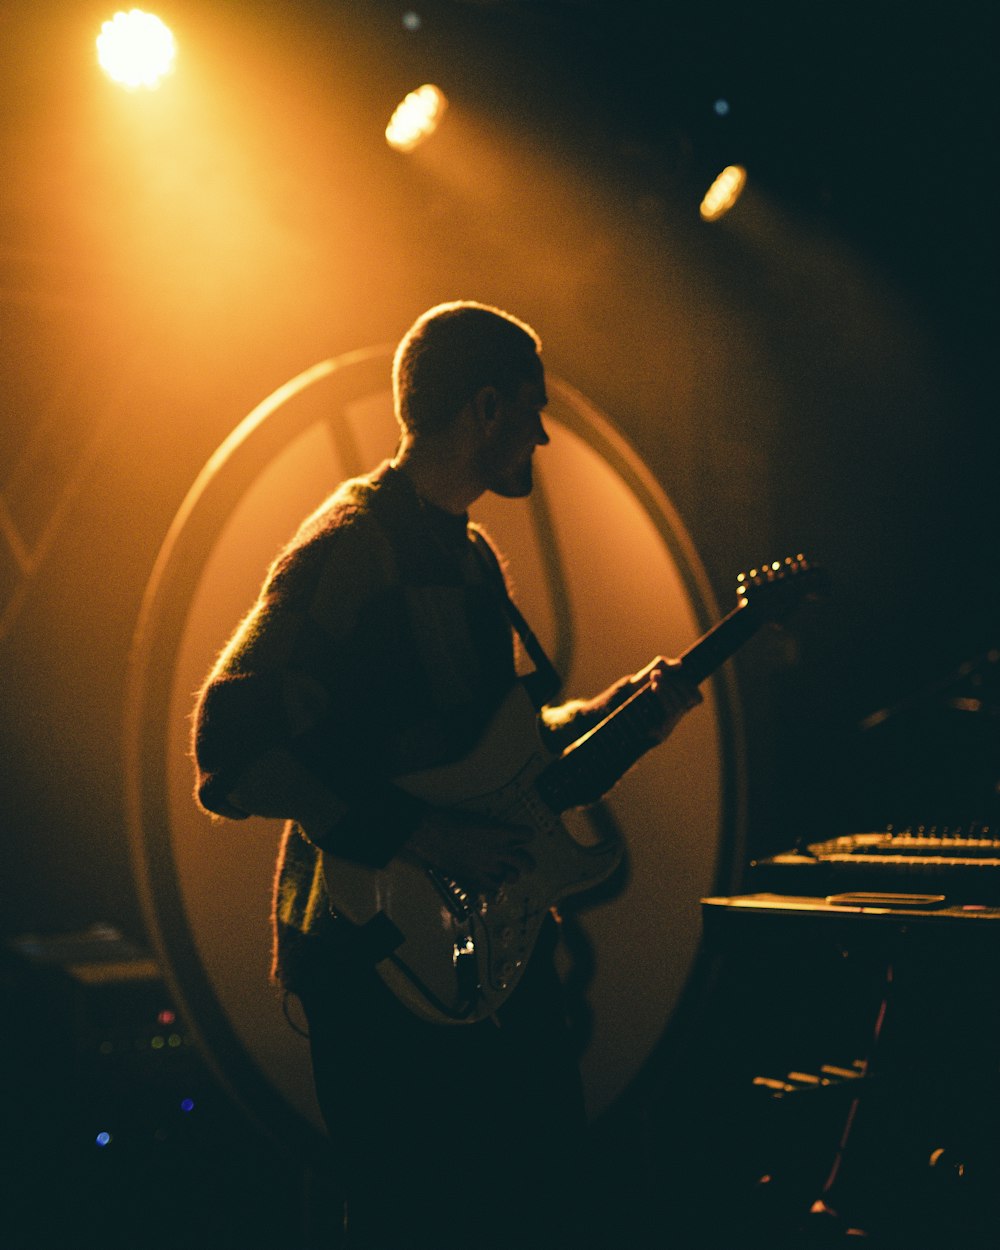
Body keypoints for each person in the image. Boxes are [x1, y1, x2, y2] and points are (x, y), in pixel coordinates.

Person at [191, 301, 701, 1247]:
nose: (543, 436)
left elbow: (499, 759)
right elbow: (230, 746)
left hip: (484, 954)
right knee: (411, 1217)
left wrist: (624, 721)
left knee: (539, 1200)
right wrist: (422, 838)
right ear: (486, 408)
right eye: (534, 412)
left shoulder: (469, 561)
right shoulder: (350, 546)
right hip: (374, 952)